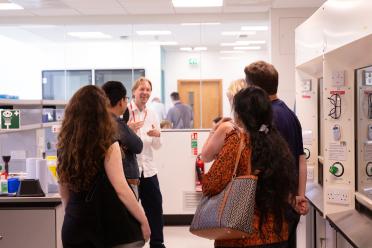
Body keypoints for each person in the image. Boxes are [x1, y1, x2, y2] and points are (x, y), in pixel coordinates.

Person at [201, 86, 298, 247]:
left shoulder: (238, 142)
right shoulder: (277, 142)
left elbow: (211, 185)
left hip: (241, 237)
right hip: (277, 235)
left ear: (240, 116)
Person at [57, 85, 150, 248]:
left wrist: (71, 215)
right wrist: (143, 220)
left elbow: (64, 192)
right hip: (103, 225)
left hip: (74, 225)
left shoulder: (64, 146)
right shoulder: (107, 144)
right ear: (102, 111)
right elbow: (121, 188)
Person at [244, 61, 309, 248]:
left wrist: (291, 199)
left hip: (276, 208)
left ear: (254, 88)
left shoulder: (269, 118)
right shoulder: (289, 114)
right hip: (290, 205)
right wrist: (299, 196)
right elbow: (301, 158)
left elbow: (273, 167)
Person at [127, 77, 166, 248]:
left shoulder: (152, 114)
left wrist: (158, 135)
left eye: (148, 90)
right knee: (129, 210)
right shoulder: (125, 111)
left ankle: (157, 243)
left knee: (155, 207)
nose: (145, 93)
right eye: (141, 89)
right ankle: (130, 242)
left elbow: (157, 147)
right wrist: (129, 131)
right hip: (130, 171)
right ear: (134, 91)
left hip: (149, 169)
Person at [102, 81, 143, 199]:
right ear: (121, 101)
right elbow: (138, 146)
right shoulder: (116, 123)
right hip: (126, 181)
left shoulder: (99, 122)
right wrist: (129, 130)